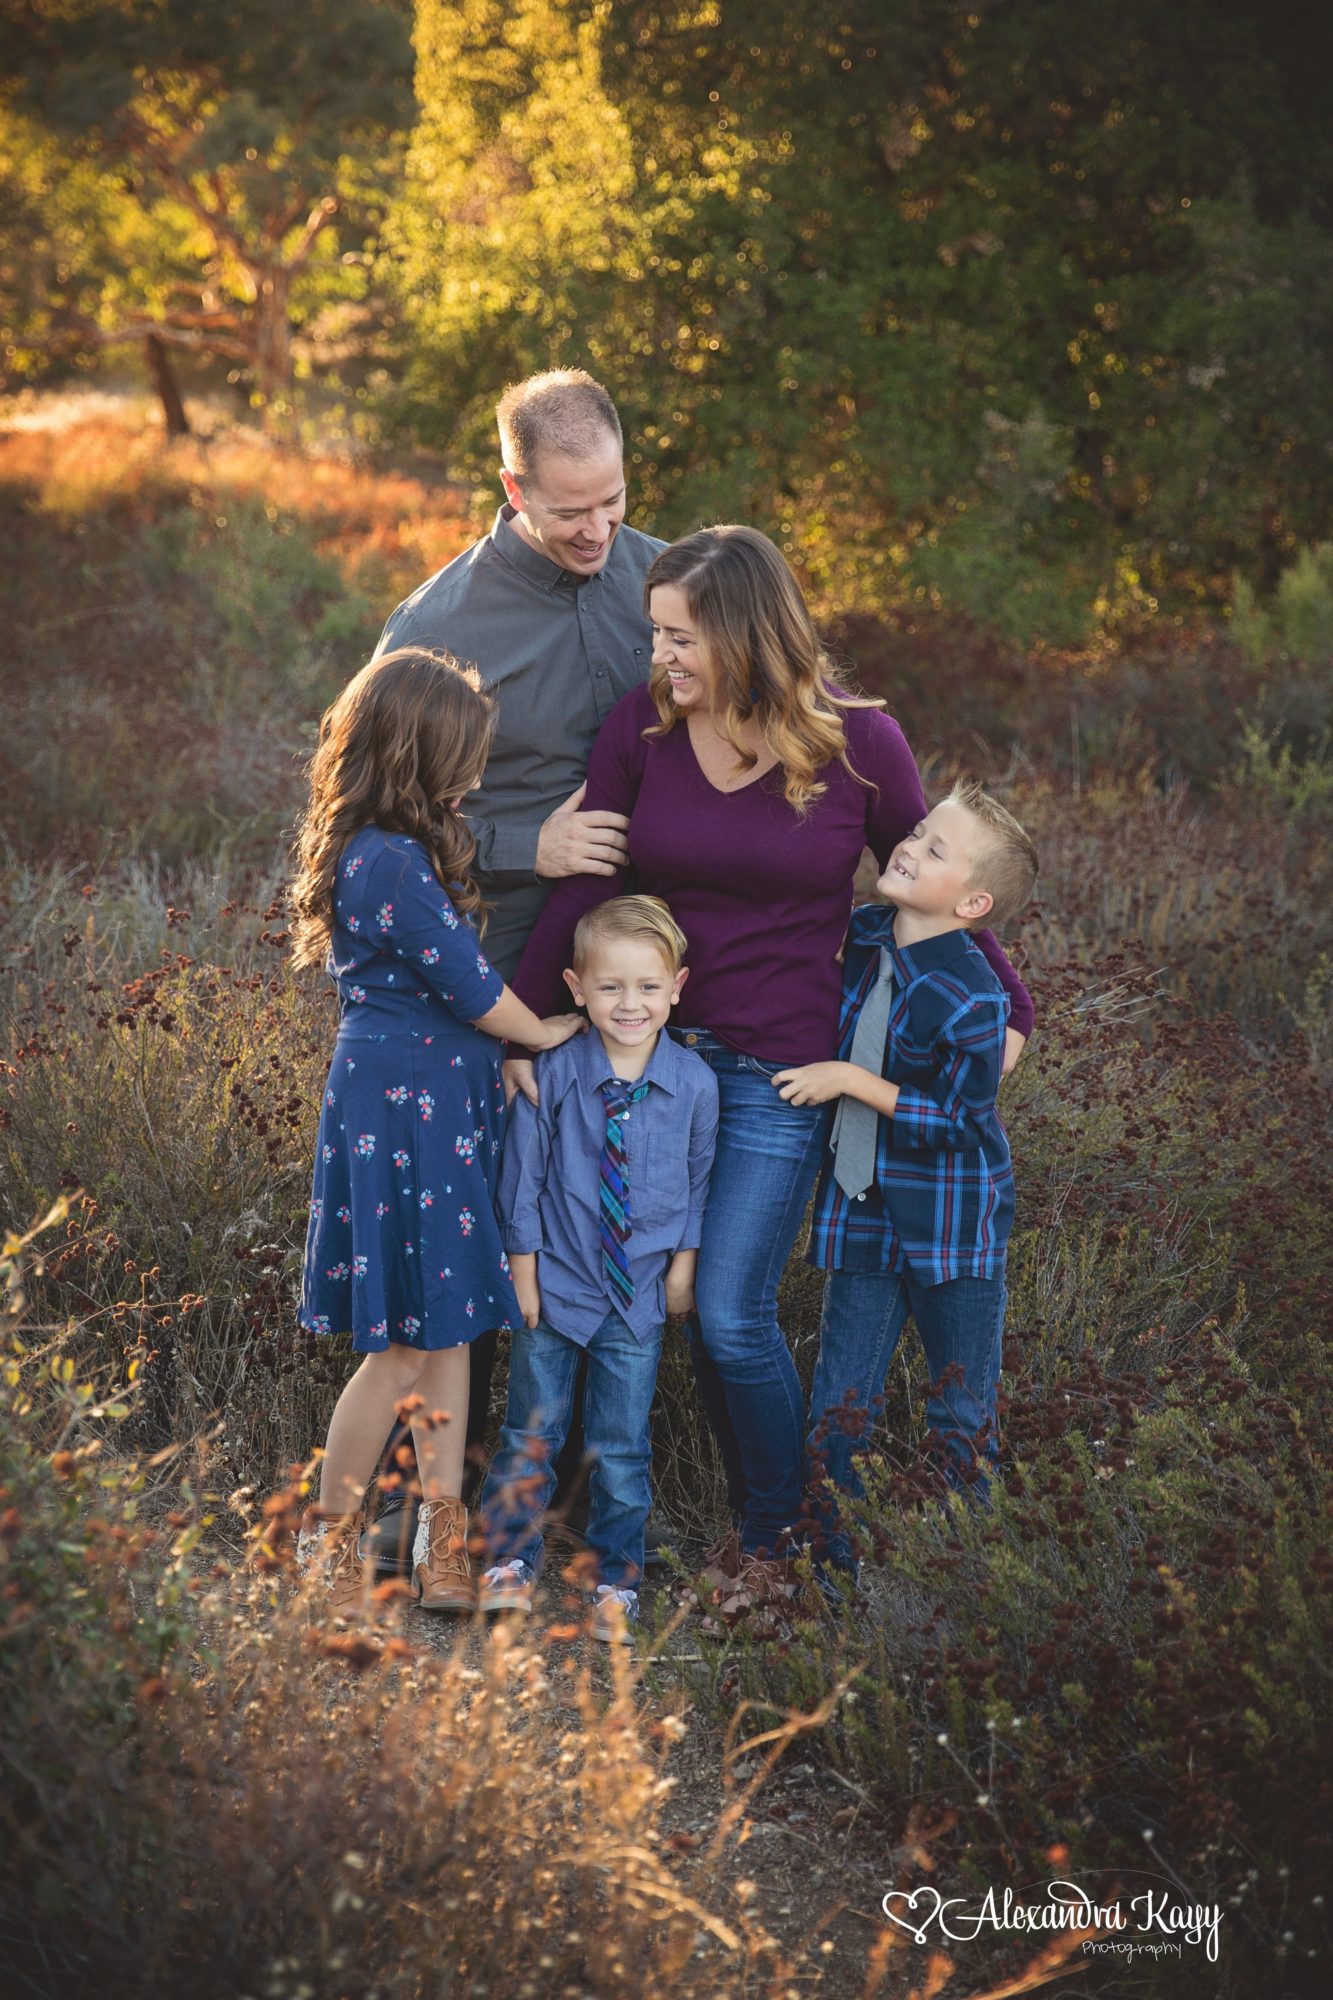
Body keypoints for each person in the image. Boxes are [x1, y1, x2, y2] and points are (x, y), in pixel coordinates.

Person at [505, 526, 1034, 1609]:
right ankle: (611, 1523)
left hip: (779, 1072)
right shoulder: (642, 730)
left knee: (732, 1307)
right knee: (643, 1296)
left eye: (680, 636)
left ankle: (776, 1535)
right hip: (645, 1063)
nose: (663, 656)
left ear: (744, 632)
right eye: (655, 634)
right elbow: (584, 887)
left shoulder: (860, 743)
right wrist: (521, 1023)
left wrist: (1011, 1003)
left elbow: (932, 884)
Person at [372, 370, 664, 1556]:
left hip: (641, 982)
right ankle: (413, 1526)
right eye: (567, 511)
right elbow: (367, 816)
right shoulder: (439, 625)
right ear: (510, 488)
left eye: (613, 501)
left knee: (617, 1245)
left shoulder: (663, 576)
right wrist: (519, 841)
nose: (598, 531)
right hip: (496, 983)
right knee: (476, 1256)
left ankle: (585, 1518)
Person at [288, 648, 583, 1621]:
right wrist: (543, 1030)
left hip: (443, 1104)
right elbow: (463, 981)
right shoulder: (382, 857)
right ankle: (327, 1540)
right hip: (399, 1105)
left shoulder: (405, 847)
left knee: (452, 1319)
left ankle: (440, 1537)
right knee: (402, 1346)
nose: (477, 771)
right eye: (467, 753)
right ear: (419, 751)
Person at [773, 783, 1039, 1570]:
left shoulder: (971, 992)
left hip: (952, 1225)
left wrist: (850, 1080)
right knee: (839, 1407)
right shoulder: (860, 936)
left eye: (933, 849)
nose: (908, 846)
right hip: (862, 1209)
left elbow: (961, 1120)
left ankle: (967, 1582)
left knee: (960, 1411)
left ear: (972, 902)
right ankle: (834, 1582)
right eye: (916, 831)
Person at [476, 897, 718, 1641]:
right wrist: (522, 1278)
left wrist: (682, 1273)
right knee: (530, 1435)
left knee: (621, 1447)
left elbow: (700, 1181)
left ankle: (616, 1580)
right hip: (555, 1286)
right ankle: (507, 1562)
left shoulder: (696, 1085)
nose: (630, 1003)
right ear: (575, 987)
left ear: (677, 986)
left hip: (639, 1299)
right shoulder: (551, 1076)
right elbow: (521, 1184)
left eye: (647, 987)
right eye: (610, 987)